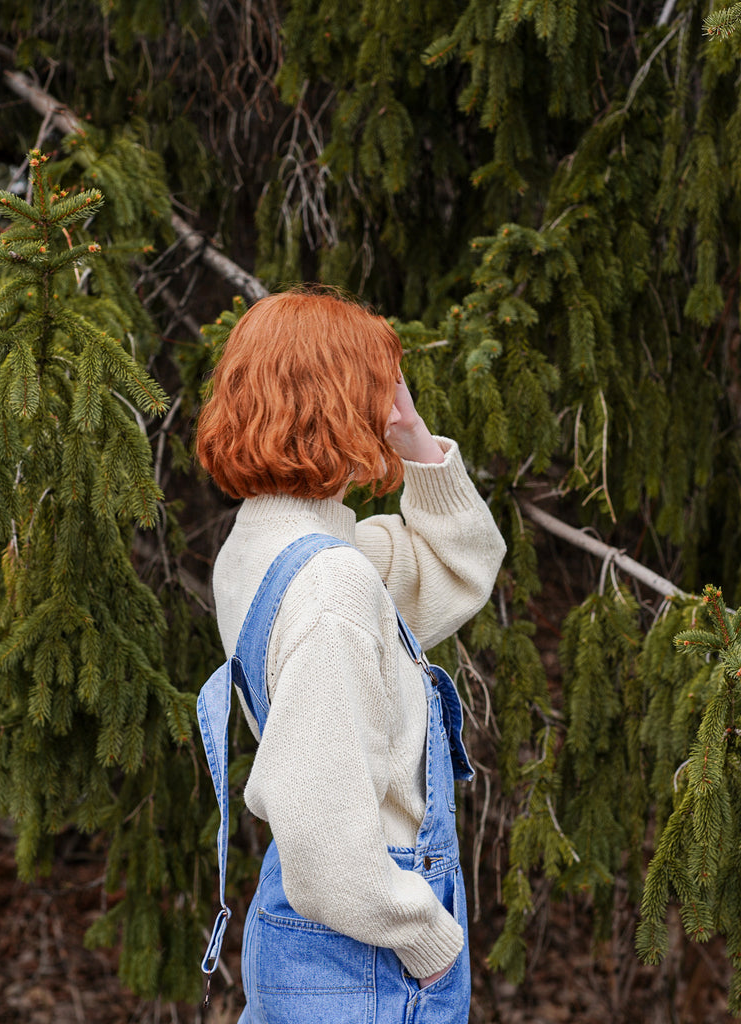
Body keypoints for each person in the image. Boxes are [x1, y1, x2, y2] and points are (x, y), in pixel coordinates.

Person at [195, 288, 506, 1024]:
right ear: (337, 404)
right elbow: (328, 849)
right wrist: (430, 940)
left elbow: (458, 564)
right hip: (365, 949)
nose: (393, 403)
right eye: (382, 387)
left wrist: (418, 440)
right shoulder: (331, 583)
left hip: (327, 938)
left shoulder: (272, 546)